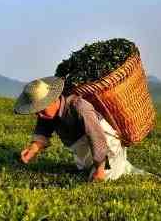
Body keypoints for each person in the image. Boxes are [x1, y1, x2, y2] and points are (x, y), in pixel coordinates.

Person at [14, 76, 150, 182]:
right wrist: (33, 149)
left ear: (54, 100)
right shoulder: (47, 114)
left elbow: (96, 137)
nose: (39, 115)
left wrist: (100, 169)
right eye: (36, 111)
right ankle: (109, 167)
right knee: (87, 171)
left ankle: (114, 166)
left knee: (102, 178)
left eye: (42, 110)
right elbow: (42, 130)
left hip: (106, 146)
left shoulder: (79, 107)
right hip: (83, 149)